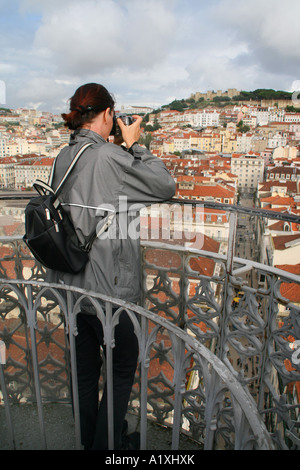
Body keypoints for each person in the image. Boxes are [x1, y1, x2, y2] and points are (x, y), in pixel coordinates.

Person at [47, 83, 176, 450]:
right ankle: (108, 449)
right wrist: (135, 144)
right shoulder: (108, 157)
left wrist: (117, 150)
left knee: (85, 374)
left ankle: (90, 442)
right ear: (107, 115)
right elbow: (165, 185)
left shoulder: (63, 156)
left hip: (71, 286)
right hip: (110, 293)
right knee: (121, 371)